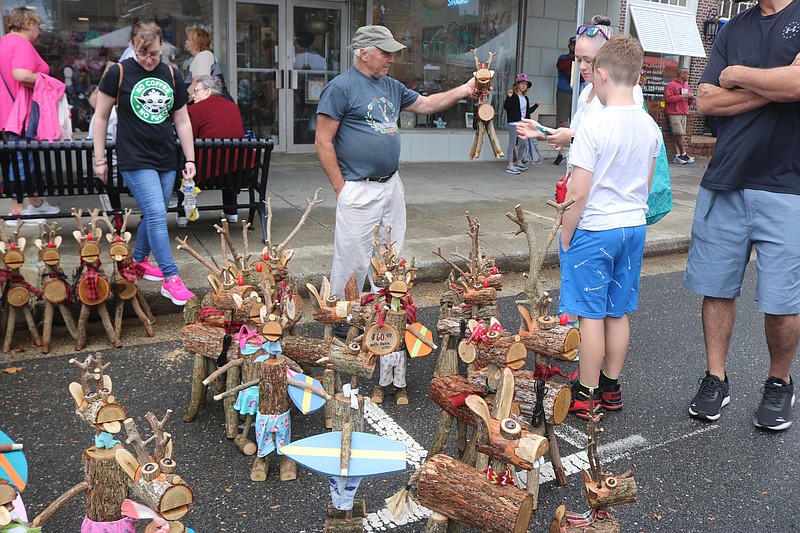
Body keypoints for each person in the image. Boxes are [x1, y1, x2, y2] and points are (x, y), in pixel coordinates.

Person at [685, 0, 800, 431]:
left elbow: (798, 84)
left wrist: (738, 76)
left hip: (789, 183)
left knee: (783, 301)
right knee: (716, 288)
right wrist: (775, 86)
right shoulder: (735, 28)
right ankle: (716, 378)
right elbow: (707, 99)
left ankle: (779, 381)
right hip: (727, 177)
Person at [315, 25, 476, 299]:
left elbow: (426, 105)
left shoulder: (392, 86)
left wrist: (464, 89)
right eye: (385, 53)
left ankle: (386, 309)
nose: (391, 59)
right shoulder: (340, 87)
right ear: (363, 53)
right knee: (352, 258)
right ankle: (343, 314)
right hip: (358, 186)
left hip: (391, 183)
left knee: (390, 252)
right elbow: (322, 140)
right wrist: (341, 189)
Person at [559, 35, 661, 420]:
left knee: (590, 314)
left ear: (601, 74)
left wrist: (567, 235)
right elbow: (647, 183)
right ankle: (611, 388)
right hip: (633, 228)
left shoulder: (594, 126)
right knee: (618, 311)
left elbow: (578, 192)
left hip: (595, 229)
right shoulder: (650, 127)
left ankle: (585, 395)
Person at [92, 19, 196, 306]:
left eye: (154, 54)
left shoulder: (171, 74)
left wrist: (190, 158)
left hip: (165, 157)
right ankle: (170, 278)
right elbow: (100, 117)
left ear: (162, 47)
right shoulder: (119, 72)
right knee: (156, 215)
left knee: (155, 214)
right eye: (143, 53)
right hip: (134, 158)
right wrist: (99, 159)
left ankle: (137, 262)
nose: (149, 60)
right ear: (132, 46)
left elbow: (182, 120)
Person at [0, 7, 61, 226]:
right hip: (21, 113)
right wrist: (48, 82)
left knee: (22, 157)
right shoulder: (21, 44)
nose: (39, 31)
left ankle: (34, 202)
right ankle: (18, 211)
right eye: (37, 25)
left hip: (9, 113)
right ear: (27, 24)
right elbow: (22, 74)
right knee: (22, 160)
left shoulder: (4, 42)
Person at [187, 74, 249, 224]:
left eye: (196, 91)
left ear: (208, 91)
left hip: (207, 172)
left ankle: (184, 214)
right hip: (240, 171)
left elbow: (190, 139)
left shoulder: (195, 109)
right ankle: (231, 210)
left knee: (186, 161)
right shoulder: (232, 106)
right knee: (229, 158)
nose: (193, 95)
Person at [503, 73, 540, 174]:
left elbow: (527, 112)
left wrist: (536, 106)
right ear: (517, 84)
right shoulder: (513, 96)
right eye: (522, 83)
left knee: (523, 143)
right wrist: (509, 97)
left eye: (526, 84)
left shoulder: (525, 98)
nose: (524, 86)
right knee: (512, 143)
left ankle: (518, 161)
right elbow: (506, 107)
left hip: (523, 123)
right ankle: (510, 164)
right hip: (514, 123)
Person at [663, 67, 695, 164]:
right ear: (682, 74)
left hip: (683, 113)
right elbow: (668, 99)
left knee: (678, 135)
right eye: (687, 74)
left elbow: (689, 102)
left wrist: (690, 98)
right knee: (679, 134)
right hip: (674, 113)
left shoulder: (687, 86)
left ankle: (677, 156)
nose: (688, 76)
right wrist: (682, 96)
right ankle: (684, 153)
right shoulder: (671, 85)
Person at [185, 27, 215, 98]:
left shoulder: (203, 56)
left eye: (189, 40)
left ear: (197, 43)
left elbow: (198, 83)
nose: (186, 42)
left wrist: (182, 102)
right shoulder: (202, 56)